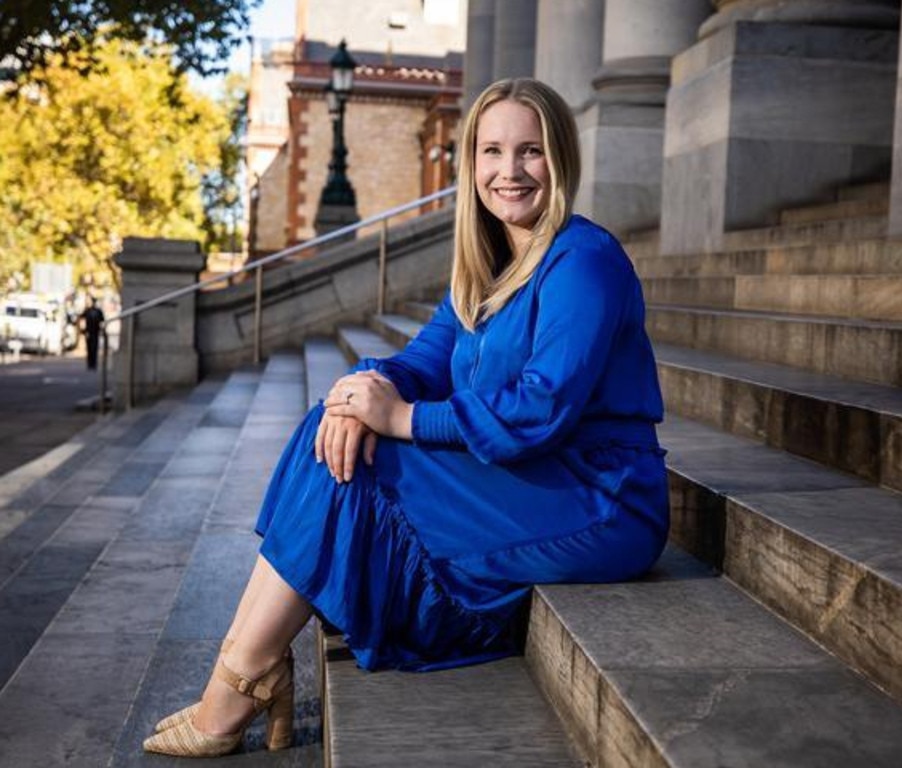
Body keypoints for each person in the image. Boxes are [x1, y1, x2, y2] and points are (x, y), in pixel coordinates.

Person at [143, 77, 669, 758]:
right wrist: (365, 389)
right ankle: (245, 669)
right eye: (492, 151)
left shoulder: (584, 260)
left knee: (367, 453)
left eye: (530, 151)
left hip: (597, 498)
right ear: (470, 162)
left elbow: (540, 409)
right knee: (332, 428)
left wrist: (405, 421)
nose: (509, 171)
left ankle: (236, 689)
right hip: (528, 472)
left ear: (560, 159)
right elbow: (422, 361)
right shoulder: (488, 266)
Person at [80, 296, 104, 370]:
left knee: (94, 348)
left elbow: (102, 321)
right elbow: (81, 318)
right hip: (89, 332)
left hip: (95, 332)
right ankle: (90, 364)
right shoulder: (88, 310)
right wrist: (83, 330)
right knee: (90, 348)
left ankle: (93, 364)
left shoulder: (97, 311)